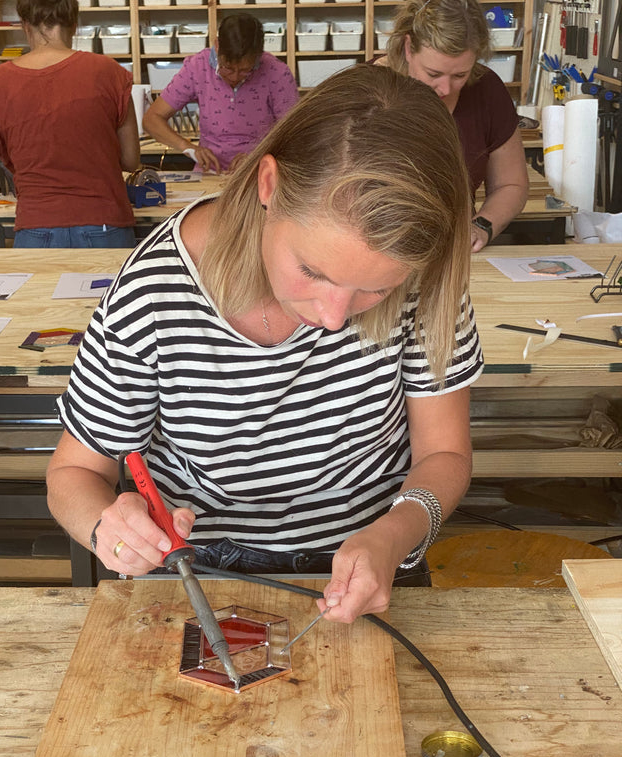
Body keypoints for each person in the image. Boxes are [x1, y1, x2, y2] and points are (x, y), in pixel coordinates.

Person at [47, 64, 484, 625]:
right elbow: (73, 475)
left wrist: (395, 535)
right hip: (197, 572)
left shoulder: (427, 280)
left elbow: (443, 453)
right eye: (312, 270)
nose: (332, 320)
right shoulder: (154, 292)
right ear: (269, 186)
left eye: (376, 288)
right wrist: (106, 525)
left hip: (372, 565)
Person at [0, 0, 139, 249]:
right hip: (105, 224)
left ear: (24, 24)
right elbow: (130, 160)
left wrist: (3, 135)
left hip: (36, 228)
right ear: (74, 24)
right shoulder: (110, 72)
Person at [377, 0, 528, 252]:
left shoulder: (487, 92)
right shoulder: (366, 90)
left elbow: (510, 184)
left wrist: (481, 227)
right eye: (433, 74)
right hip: (376, 251)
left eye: (460, 75)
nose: (446, 89)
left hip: (454, 253)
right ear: (407, 48)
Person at [142, 14, 298, 174]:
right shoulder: (198, 67)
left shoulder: (277, 73)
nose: (235, 77)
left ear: (259, 55)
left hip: (260, 173)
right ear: (217, 46)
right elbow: (152, 119)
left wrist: (258, 157)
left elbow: (295, 134)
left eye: (245, 70)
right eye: (228, 68)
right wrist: (189, 148)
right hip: (210, 172)